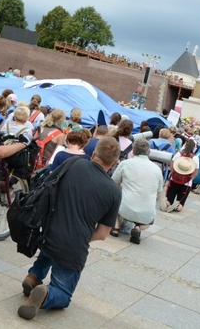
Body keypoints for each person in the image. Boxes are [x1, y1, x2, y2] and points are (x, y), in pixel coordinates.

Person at [18, 137, 121, 320]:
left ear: (94, 153)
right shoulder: (114, 191)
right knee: (64, 294)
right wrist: (78, 237)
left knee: (49, 251)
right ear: (114, 163)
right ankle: (47, 294)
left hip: (49, 233)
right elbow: (103, 234)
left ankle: (33, 276)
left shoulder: (73, 164)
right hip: (73, 248)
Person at [111, 137, 164, 244]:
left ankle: (115, 227)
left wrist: (124, 186)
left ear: (133, 151)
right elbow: (158, 194)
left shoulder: (125, 164)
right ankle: (138, 227)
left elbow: (112, 184)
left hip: (125, 208)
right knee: (149, 218)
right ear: (148, 152)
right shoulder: (157, 169)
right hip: (146, 214)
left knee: (116, 196)